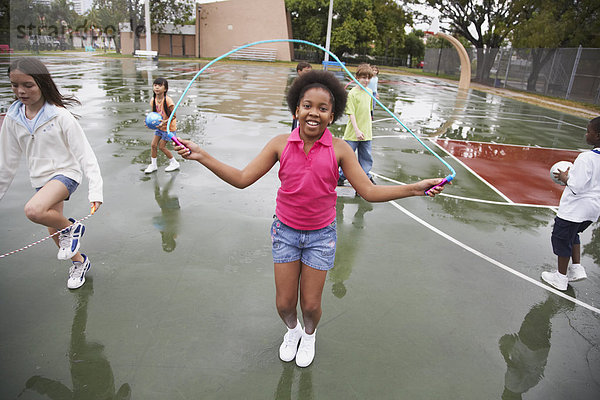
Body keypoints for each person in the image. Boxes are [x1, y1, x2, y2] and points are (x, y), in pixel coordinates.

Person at [175, 70, 446, 367]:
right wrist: (202, 155)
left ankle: (310, 332)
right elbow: (242, 179)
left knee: (312, 304)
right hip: (285, 232)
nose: (313, 113)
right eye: (307, 105)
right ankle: (292, 330)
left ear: (333, 116)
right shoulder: (280, 144)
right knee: (284, 303)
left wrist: (413, 189)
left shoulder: (341, 149)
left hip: (321, 236)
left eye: (322, 108)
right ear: (296, 109)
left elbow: (367, 191)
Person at [0, 57, 103, 289]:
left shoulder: (60, 115)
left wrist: (96, 189)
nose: (21, 91)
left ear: (42, 84)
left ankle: (73, 227)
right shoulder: (13, 118)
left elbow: (85, 154)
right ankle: (80, 263)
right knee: (53, 232)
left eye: (28, 85)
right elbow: (6, 163)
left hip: (66, 174)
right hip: (41, 180)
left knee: (34, 210)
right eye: (15, 85)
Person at [541, 116, 600, 291]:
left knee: (561, 239)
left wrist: (566, 178)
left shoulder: (586, 158)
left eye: (588, 131)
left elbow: (578, 185)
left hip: (575, 209)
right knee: (573, 235)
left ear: (597, 135)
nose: (586, 134)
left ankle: (560, 277)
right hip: (593, 210)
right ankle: (576, 268)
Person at [337, 63, 375, 187]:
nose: (366, 80)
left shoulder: (369, 92)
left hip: (367, 132)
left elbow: (369, 112)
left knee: (366, 158)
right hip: (353, 133)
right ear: (357, 78)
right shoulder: (352, 94)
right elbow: (351, 114)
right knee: (347, 156)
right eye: (364, 78)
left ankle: (364, 180)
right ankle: (341, 177)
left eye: (369, 78)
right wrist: (357, 130)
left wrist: (367, 128)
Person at [144, 77, 180, 173]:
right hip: (160, 127)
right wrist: (149, 123)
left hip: (169, 128)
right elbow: (153, 115)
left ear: (165, 89)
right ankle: (153, 165)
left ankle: (174, 162)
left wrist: (165, 122)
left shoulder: (168, 101)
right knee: (153, 145)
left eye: (160, 86)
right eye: (155, 85)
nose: (157, 87)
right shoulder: (153, 100)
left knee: (162, 147)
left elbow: (174, 116)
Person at [291, 62, 312, 131]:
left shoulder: (311, 83)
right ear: (299, 71)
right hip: (299, 112)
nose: (308, 74)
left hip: (307, 112)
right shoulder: (297, 83)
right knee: (296, 130)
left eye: (310, 72)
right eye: (306, 71)